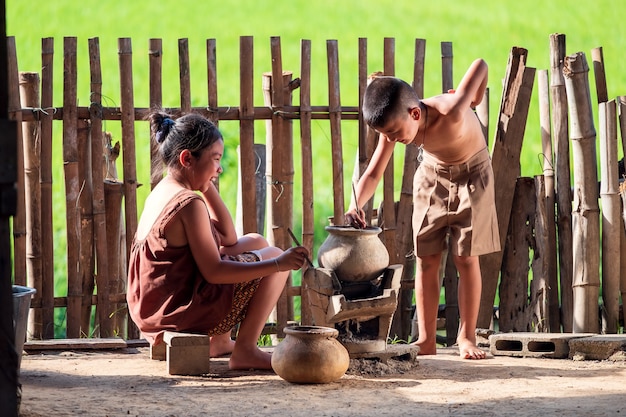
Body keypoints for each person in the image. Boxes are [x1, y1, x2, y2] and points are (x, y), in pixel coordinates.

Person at [127, 110, 310, 371]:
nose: (219, 168)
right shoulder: (188, 204)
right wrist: (278, 264)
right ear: (187, 158)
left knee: (256, 241)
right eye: (215, 159)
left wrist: (205, 181)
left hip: (156, 305)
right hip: (175, 310)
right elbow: (214, 271)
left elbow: (228, 237)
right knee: (272, 255)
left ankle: (221, 341)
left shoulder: (166, 189)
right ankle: (246, 350)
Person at [345, 59, 500, 360]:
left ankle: (467, 338)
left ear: (414, 113)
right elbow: (374, 172)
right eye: (385, 134)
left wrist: (474, 99)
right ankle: (426, 339)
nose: (390, 139)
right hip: (432, 175)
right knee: (426, 258)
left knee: (465, 258)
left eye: (393, 132)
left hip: (473, 174)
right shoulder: (395, 124)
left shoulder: (453, 111)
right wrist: (355, 204)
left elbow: (481, 65)